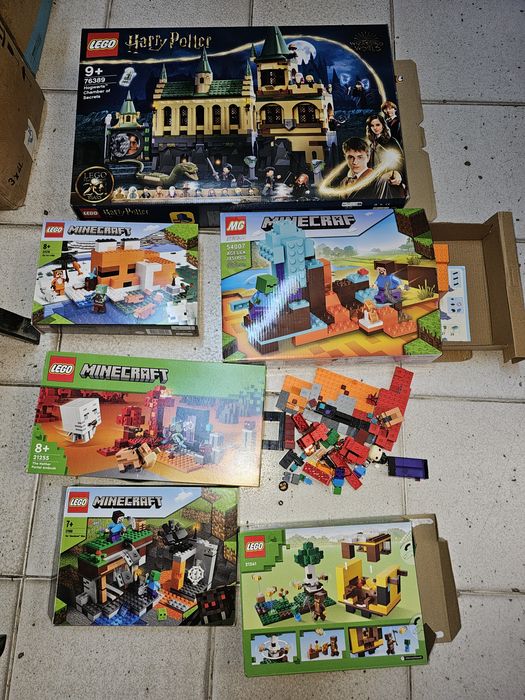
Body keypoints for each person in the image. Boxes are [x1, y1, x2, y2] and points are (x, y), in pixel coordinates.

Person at [340, 137, 405, 201]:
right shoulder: (343, 182)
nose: (355, 162)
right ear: (345, 158)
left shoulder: (378, 179)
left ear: (368, 157)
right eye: (350, 157)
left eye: (360, 157)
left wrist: (395, 174)